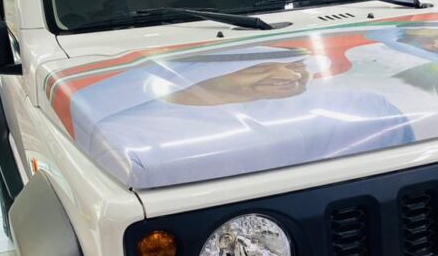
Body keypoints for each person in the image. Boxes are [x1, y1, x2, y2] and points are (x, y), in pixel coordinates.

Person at [62, 45, 418, 188]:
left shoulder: (361, 106)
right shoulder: (129, 141)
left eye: (298, 66)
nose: (292, 75)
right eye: (265, 64)